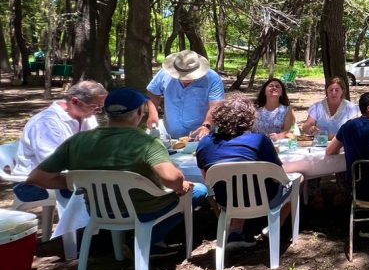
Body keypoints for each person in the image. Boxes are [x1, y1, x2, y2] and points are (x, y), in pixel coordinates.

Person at [26, 89, 208, 256]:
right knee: (199, 190)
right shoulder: (147, 142)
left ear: (106, 112)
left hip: (98, 210)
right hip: (144, 208)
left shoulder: (77, 141)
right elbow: (172, 179)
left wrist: (72, 183)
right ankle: (149, 239)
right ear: (139, 112)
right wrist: (181, 184)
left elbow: (37, 177)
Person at [196, 97, 292, 247]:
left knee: (237, 186)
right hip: (264, 199)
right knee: (297, 180)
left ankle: (236, 231)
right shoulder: (260, 141)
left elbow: (208, 180)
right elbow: (277, 178)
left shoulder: (205, 143)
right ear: (250, 117)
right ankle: (274, 228)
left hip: (226, 201)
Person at [11, 80, 108, 206]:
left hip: (73, 174)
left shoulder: (87, 117)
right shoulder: (46, 123)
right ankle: (78, 225)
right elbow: (52, 163)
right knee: (93, 190)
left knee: (110, 184)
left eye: (101, 108)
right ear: (74, 101)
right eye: (94, 107)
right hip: (38, 179)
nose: (98, 112)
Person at [147, 50, 226, 141]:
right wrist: (153, 113)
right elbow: (152, 91)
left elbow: (216, 106)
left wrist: (207, 125)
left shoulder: (212, 78)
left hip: (200, 134)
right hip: (169, 131)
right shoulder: (164, 73)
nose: (186, 79)